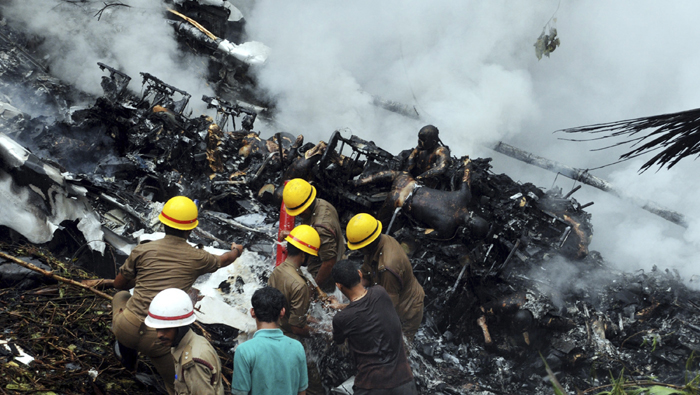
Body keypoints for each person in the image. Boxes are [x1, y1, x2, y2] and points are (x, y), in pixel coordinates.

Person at [111, 196, 244, 394]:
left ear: (163, 222)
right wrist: (236, 251)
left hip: (125, 328)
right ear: (191, 228)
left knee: (120, 297)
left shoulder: (142, 250)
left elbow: (118, 284)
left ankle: (128, 361)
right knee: (175, 386)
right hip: (159, 339)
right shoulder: (198, 257)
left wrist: (144, 277)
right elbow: (224, 260)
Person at [331, 260, 418, 395]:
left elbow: (339, 342)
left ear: (339, 286)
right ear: (359, 274)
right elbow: (364, 306)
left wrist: (338, 307)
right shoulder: (380, 293)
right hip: (404, 381)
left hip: (371, 385)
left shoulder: (341, 319)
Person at [345, 213, 425, 342]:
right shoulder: (376, 243)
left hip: (407, 308)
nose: (359, 251)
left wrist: (354, 310)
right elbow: (366, 276)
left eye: (360, 248)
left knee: (398, 349)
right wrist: (348, 294)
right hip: (391, 296)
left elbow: (387, 307)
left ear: (368, 244)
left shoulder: (388, 266)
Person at [267, 224, 324, 395]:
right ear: (304, 255)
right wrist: (321, 333)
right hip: (290, 340)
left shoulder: (277, 271)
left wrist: (314, 321)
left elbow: (286, 309)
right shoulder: (300, 285)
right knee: (313, 385)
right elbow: (296, 327)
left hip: (273, 332)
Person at [144, 288, 224, 395]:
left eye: (166, 329)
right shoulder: (188, 343)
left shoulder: (193, 363)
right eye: (158, 329)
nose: (159, 335)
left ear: (181, 327)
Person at [231, 286, 308, 395]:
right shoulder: (297, 347)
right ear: (282, 312)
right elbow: (302, 391)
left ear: (252, 312)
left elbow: (240, 393)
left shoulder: (244, 351)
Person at [282, 178, 345, 293]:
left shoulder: (321, 227)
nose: (299, 216)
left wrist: (314, 289)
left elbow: (329, 263)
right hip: (324, 258)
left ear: (306, 206)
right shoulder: (320, 203)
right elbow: (311, 231)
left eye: (300, 212)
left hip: (324, 275)